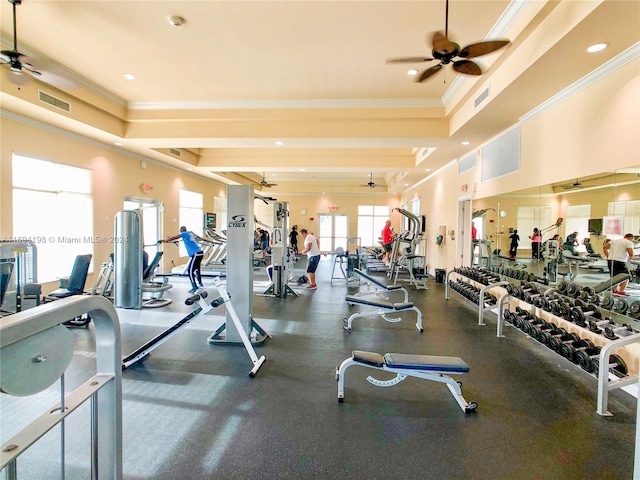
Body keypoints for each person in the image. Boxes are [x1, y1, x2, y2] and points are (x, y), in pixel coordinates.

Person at [164, 226, 205, 293]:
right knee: (197, 269)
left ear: (181, 230)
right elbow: (198, 238)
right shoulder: (190, 233)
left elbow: (175, 237)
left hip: (196, 254)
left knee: (190, 271)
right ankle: (200, 283)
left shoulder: (184, 234)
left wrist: (166, 240)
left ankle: (194, 287)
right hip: (200, 252)